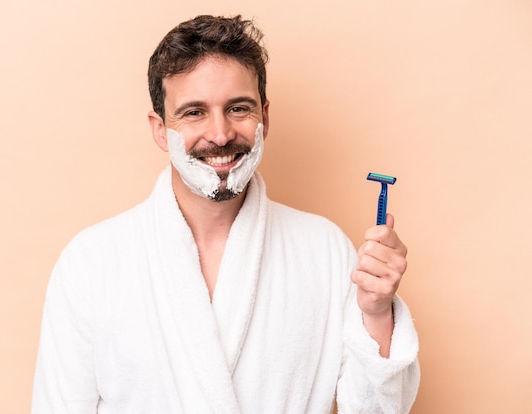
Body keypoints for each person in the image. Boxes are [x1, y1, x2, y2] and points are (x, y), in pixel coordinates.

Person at [31, 14, 420, 414]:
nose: (220, 134)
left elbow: (375, 411)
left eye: (238, 108)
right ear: (160, 129)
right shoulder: (92, 262)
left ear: (264, 118)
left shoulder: (324, 250)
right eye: (194, 112)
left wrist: (375, 313)